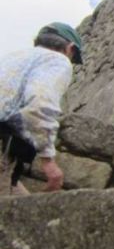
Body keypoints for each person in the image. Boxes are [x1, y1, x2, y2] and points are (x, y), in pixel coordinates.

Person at [0, 23, 83, 195]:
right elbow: (40, 102)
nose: (71, 63)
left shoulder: (12, 57)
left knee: (19, 206)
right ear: (70, 48)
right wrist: (48, 160)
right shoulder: (57, 60)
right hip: (4, 137)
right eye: (73, 58)